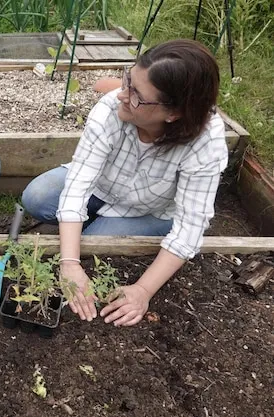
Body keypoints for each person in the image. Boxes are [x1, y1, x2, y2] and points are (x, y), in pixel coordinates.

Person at [21, 39, 228, 327]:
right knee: (38, 196)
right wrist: (69, 263)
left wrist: (143, 290)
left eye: (136, 95)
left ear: (174, 113)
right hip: (101, 188)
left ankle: (90, 227)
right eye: (127, 80)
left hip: (149, 209)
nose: (121, 95)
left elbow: (190, 228)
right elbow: (78, 183)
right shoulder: (112, 108)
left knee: (93, 244)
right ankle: (85, 224)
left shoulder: (206, 142)